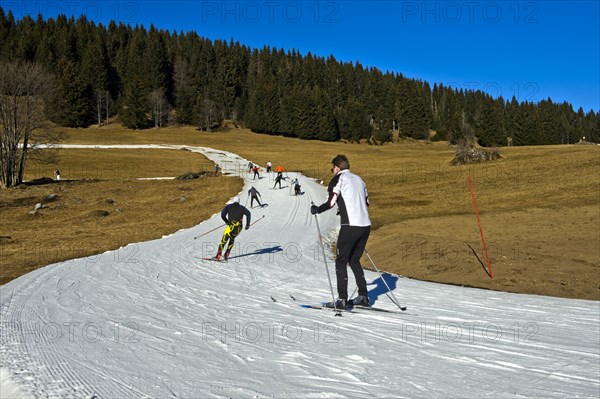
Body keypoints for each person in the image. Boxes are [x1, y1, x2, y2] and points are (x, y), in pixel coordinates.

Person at [311, 155, 371, 309]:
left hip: (350, 225)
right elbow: (365, 203)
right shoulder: (359, 179)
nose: (332, 171)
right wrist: (344, 208)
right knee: (354, 260)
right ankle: (363, 296)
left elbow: (330, 202)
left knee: (341, 261)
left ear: (337, 167)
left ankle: (342, 300)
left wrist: (317, 209)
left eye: (332, 168)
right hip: (365, 226)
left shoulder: (338, 179)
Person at [214, 196, 251, 261]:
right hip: (238, 228)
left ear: (233, 201)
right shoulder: (242, 208)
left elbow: (222, 215)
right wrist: (247, 224)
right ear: (239, 201)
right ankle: (226, 254)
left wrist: (227, 222)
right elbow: (248, 214)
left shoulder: (228, 206)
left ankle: (218, 255)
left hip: (230, 227)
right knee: (232, 239)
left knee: (223, 241)